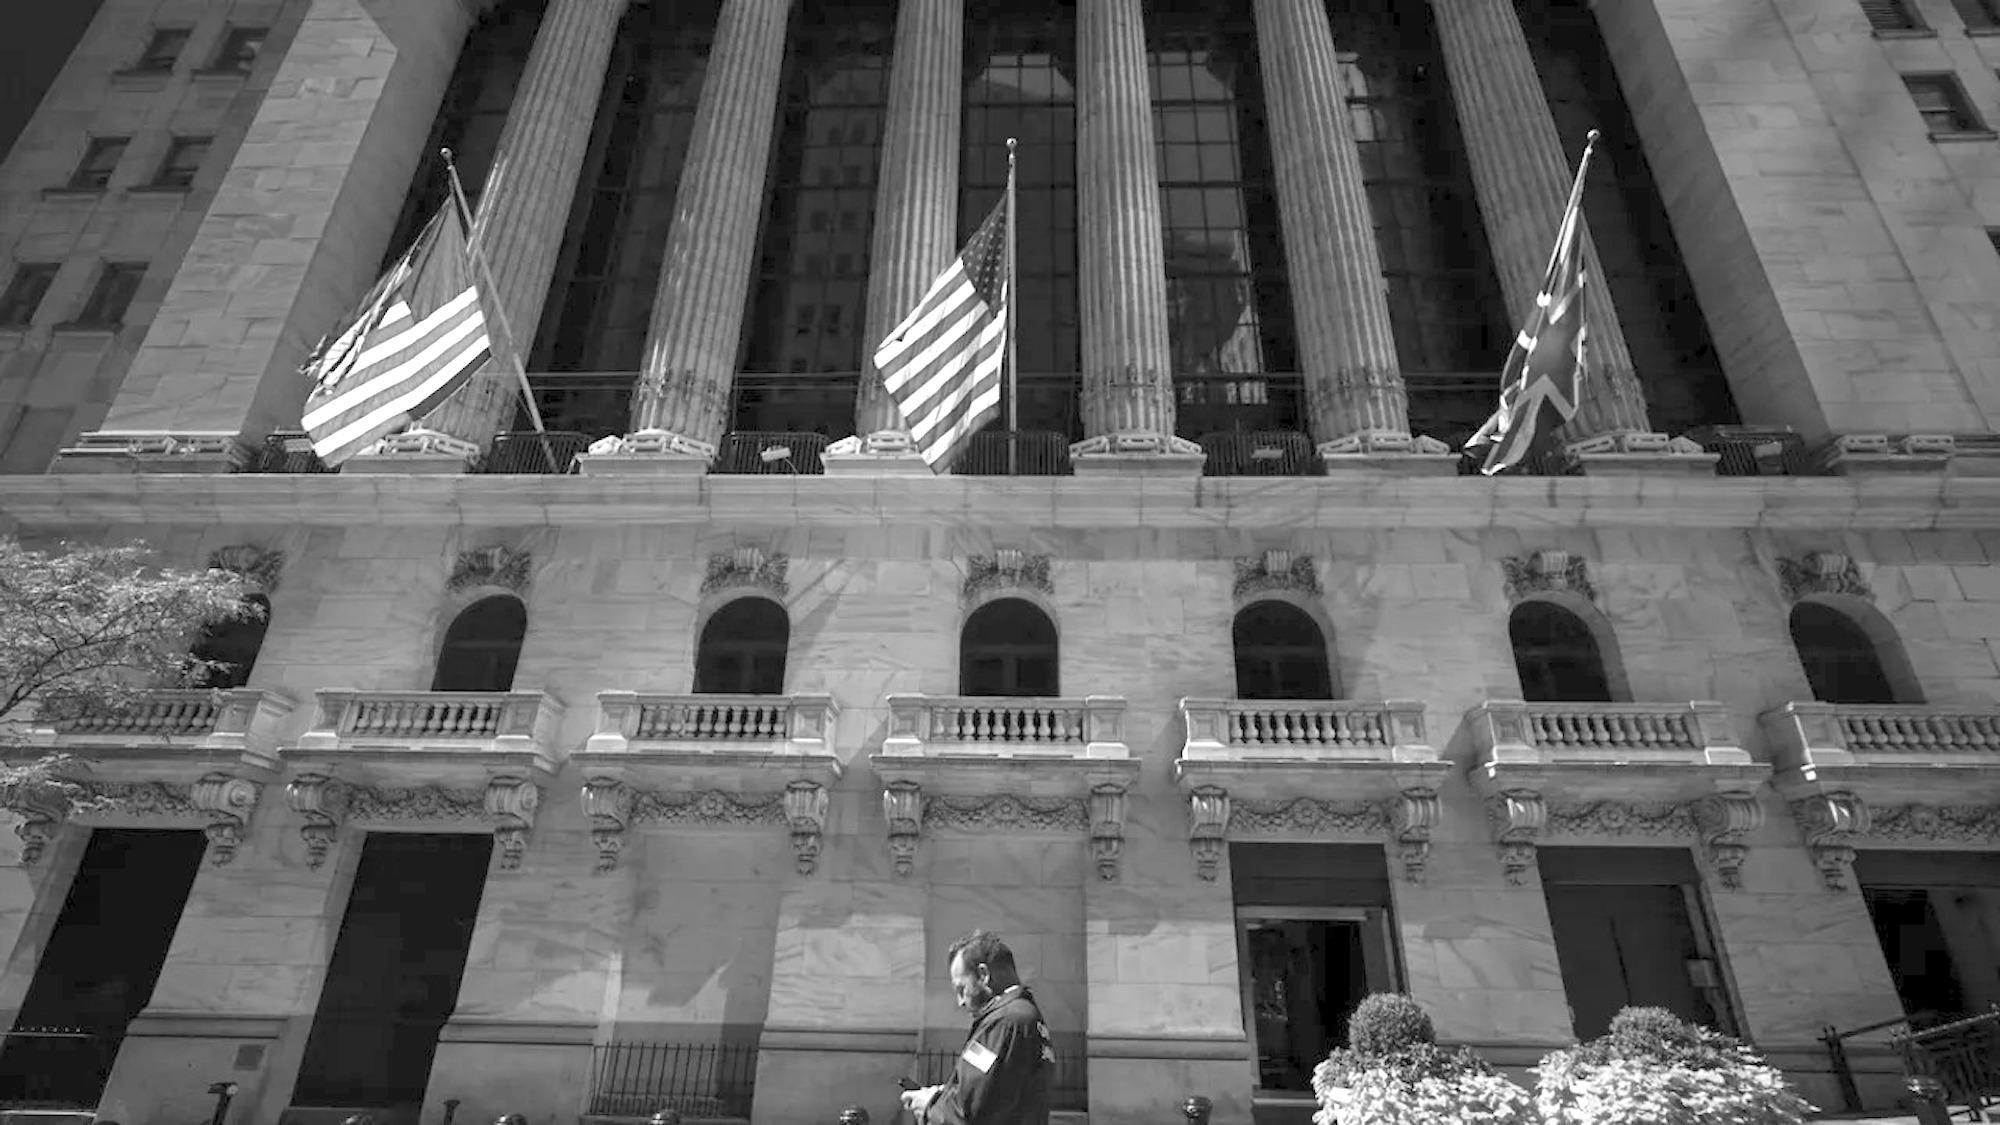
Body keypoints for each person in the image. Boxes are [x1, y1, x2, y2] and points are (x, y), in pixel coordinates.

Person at [900, 930, 1053, 1125]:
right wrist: (943, 1094)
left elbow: (969, 1112)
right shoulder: (1025, 1017)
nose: (960, 1002)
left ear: (983, 975)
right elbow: (991, 1091)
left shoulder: (1005, 1021)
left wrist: (929, 1107)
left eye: (961, 989)